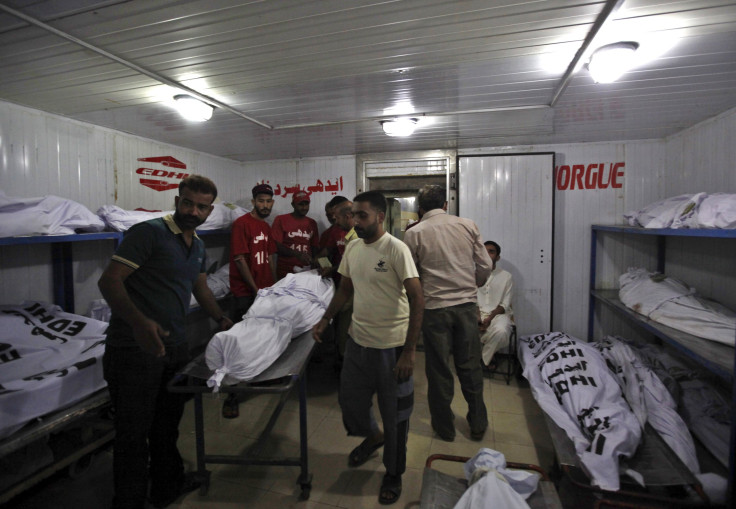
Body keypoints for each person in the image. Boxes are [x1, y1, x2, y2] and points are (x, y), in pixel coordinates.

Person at [98, 175, 234, 509]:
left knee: (166, 425)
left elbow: (199, 286)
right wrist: (139, 322)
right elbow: (109, 280)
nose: (193, 210)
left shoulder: (197, 245)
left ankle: (165, 487)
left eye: (201, 206)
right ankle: (128, 502)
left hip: (173, 348)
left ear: (209, 210)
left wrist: (220, 318)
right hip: (133, 349)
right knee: (133, 434)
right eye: (187, 202)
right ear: (177, 201)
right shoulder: (149, 233)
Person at [312, 191, 424, 506]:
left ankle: (394, 472)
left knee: (396, 415)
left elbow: (418, 298)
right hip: (358, 341)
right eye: (353, 214)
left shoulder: (396, 249)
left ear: (379, 216)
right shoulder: (353, 247)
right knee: (351, 403)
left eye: (362, 215)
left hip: (391, 346)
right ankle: (373, 436)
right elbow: (345, 288)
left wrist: (409, 351)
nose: (356, 220)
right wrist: (326, 319)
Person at [403, 184, 493, 442]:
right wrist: (473, 284)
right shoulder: (467, 225)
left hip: (434, 310)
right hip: (465, 307)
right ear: (445, 204)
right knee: (470, 366)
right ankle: (477, 424)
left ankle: (444, 429)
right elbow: (485, 264)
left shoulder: (414, 233)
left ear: (420, 208)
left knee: (439, 370)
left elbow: (411, 275)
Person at [223, 183, 277, 418]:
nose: (265, 205)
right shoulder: (241, 224)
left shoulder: (265, 226)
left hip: (263, 291)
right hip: (246, 293)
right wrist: (255, 289)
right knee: (240, 342)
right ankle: (231, 395)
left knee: (261, 338)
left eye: (269, 201)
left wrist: (273, 286)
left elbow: (269, 257)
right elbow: (240, 259)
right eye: (261, 201)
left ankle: (257, 378)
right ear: (254, 202)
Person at [316, 197, 357, 367]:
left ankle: (346, 365)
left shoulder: (356, 237)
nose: (333, 220)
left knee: (346, 333)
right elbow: (324, 254)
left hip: (350, 290)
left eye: (336, 217)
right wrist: (323, 264)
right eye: (330, 216)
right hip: (341, 286)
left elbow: (351, 266)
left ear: (347, 216)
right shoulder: (337, 233)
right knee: (342, 331)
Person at [478, 241, 514, 370]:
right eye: (484, 251)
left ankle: (482, 359)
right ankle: (489, 355)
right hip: (475, 313)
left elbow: (505, 304)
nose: (487, 254)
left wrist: (489, 318)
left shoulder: (506, 276)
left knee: (501, 331)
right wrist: (478, 318)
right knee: (464, 328)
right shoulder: (473, 273)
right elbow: (470, 298)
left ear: (497, 257)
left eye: (491, 251)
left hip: (498, 314)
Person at [271, 190, 320, 280]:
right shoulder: (281, 220)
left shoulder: (312, 223)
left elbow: (314, 247)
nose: (304, 207)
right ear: (293, 205)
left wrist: (315, 264)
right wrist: (296, 254)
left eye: (306, 204)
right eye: (301, 204)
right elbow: (275, 245)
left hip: (306, 272)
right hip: (285, 272)